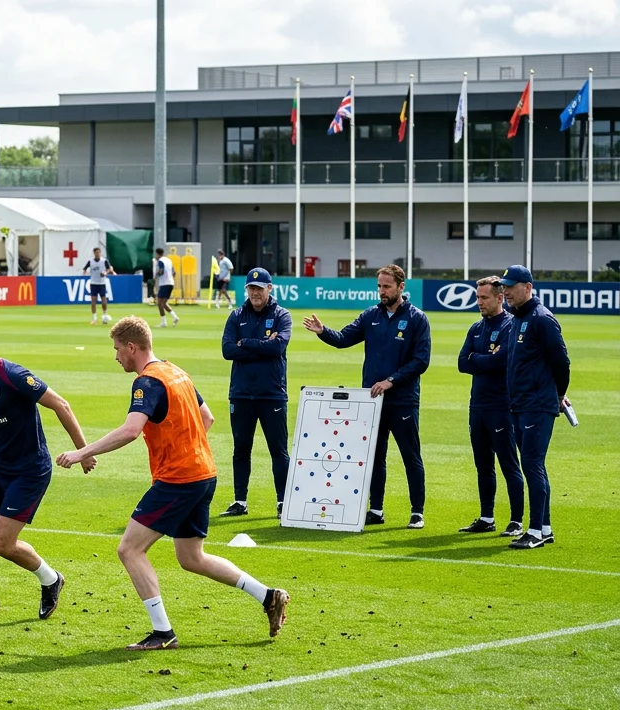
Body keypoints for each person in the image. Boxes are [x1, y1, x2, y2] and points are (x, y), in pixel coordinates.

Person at [57, 317, 289, 650]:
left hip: (179, 479)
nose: (116, 356)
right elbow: (206, 418)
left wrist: (83, 452)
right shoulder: (176, 372)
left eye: (117, 349)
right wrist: (184, 446)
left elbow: (130, 430)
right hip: (203, 473)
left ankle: (163, 632)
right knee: (191, 557)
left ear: (131, 347)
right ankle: (268, 596)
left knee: (129, 549)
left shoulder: (147, 382)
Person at [0, 322, 92, 620]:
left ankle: (51, 579)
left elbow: (61, 405)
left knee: (1, 543)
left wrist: (83, 452)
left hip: (29, 470)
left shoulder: (13, 376)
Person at [302, 264, 431, 528]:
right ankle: (377, 509)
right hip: (372, 401)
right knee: (374, 456)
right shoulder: (371, 315)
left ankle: (417, 511)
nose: (382, 292)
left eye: (387, 287)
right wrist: (323, 331)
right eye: (379, 287)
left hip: (403, 399)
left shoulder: (417, 318)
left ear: (400, 287)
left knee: (410, 455)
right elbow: (343, 339)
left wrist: (391, 381)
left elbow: (421, 361)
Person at [500, 265, 571, 550]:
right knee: (533, 465)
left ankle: (535, 531)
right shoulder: (519, 318)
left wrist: (558, 394)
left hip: (537, 404)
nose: (506, 291)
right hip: (520, 404)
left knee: (531, 464)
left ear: (528, 287)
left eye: (511, 286)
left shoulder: (541, 319)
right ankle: (544, 527)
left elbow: (562, 362)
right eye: (504, 286)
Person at [456, 276, 526, 537]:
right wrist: (484, 359)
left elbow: (503, 361)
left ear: (499, 298)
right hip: (478, 406)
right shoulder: (476, 328)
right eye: (477, 297)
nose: (479, 302)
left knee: (509, 463)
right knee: (482, 464)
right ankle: (487, 517)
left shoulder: (510, 325)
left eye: (484, 298)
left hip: (501, 406)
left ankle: (517, 520)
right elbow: (462, 363)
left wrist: (478, 359)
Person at [219, 268, 291, 519]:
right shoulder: (236, 315)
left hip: (272, 394)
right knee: (241, 449)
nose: (255, 293)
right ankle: (240, 501)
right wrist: (263, 345)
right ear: (246, 289)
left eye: (259, 289)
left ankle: (283, 501)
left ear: (270, 289)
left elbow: (278, 346)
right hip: (240, 394)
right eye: (251, 288)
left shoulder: (282, 315)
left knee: (278, 450)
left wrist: (247, 343)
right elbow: (228, 350)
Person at [83, 246, 116, 325]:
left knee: (103, 299)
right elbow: (85, 268)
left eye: (98, 252)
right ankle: (94, 318)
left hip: (102, 283)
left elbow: (109, 269)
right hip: (93, 283)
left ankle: (104, 315)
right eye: (96, 252)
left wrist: (105, 273)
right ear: (94, 253)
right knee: (93, 300)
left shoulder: (104, 261)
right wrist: (85, 272)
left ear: (100, 253)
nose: (97, 254)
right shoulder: (90, 261)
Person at [153, 247, 179, 328]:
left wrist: (156, 275)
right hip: (170, 283)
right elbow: (174, 272)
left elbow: (161, 271)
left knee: (159, 302)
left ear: (157, 254)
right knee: (163, 303)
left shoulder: (160, 261)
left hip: (164, 283)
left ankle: (164, 322)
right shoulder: (169, 260)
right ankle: (175, 317)